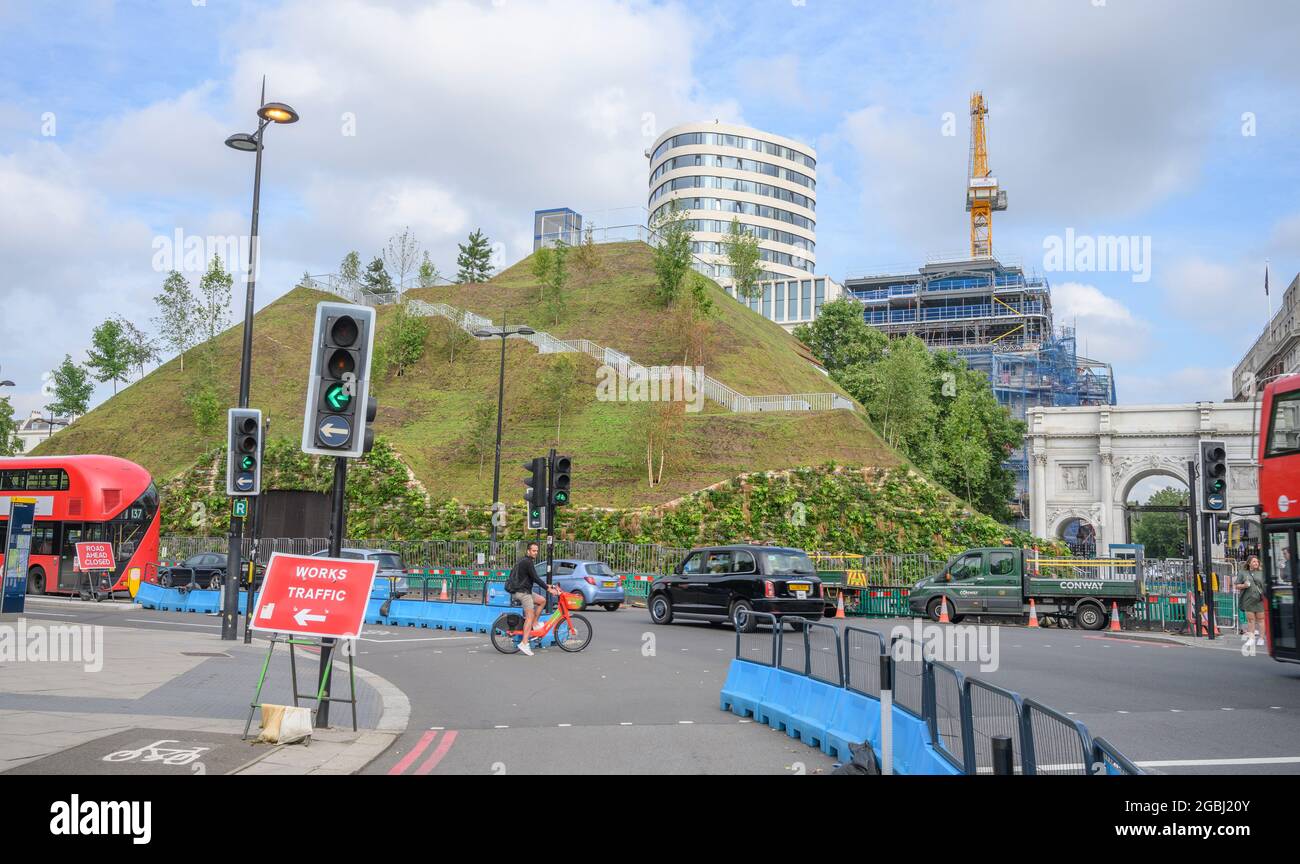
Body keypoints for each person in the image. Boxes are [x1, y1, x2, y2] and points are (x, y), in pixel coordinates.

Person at [505, 541, 559, 657]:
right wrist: (548, 588)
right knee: (529, 616)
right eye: (533, 551)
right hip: (522, 593)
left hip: (524, 591)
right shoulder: (527, 562)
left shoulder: (525, 561)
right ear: (528, 551)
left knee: (542, 600)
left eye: (537, 551)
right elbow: (535, 578)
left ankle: (534, 623)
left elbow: (533, 578)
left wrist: (548, 586)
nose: (535, 553)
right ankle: (524, 643)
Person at [1236, 556, 1267, 647]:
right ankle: (1251, 639)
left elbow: (1265, 586)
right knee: (1250, 620)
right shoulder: (1242, 573)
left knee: (1261, 620)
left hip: (1259, 600)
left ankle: (1261, 638)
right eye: (1254, 562)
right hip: (1248, 600)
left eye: (1257, 561)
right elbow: (1237, 586)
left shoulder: (1262, 573)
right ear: (1249, 563)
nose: (1256, 563)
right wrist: (1244, 585)